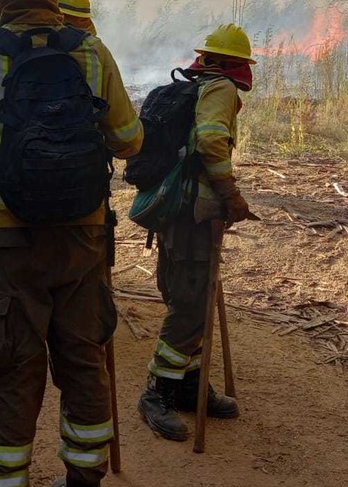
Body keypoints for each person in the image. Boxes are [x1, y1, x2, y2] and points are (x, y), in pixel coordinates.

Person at [0, 0, 143, 487]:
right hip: (82, 236)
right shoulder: (92, 51)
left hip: (10, 238)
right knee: (83, 362)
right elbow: (129, 140)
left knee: (13, 369)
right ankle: (84, 480)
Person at [137, 23, 258, 442]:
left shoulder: (197, 87)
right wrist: (232, 197)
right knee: (191, 307)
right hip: (195, 215)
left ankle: (189, 384)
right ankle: (159, 391)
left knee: (189, 299)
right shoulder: (221, 89)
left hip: (176, 211)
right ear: (233, 63)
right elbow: (210, 144)